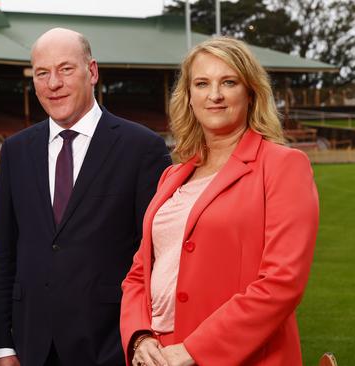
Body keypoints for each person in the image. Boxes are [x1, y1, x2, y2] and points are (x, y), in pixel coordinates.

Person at [120, 37, 319, 366]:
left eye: (228, 82)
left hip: (236, 355)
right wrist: (139, 336)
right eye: (202, 83)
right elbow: (139, 274)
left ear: (250, 92)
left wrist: (195, 350)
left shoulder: (283, 165)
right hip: (160, 355)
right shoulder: (172, 176)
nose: (214, 95)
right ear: (189, 96)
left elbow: (282, 282)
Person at [0, 28, 171, 366]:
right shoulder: (16, 150)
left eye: (66, 69)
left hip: (111, 344)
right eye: (42, 73)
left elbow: (157, 257)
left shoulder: (142, 148)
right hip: (32, 347)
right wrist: (0, 345)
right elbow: (3, 253)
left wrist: (144, 334)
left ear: (93, 72)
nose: (53, 83)